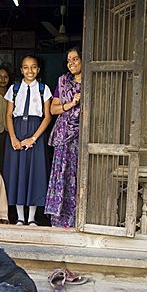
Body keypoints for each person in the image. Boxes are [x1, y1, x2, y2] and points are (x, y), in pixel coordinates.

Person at [3, 55, 52, 226]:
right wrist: (13, 138)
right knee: (18, 172)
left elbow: (47, 117)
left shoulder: (43, 89)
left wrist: (33, 138)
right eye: (26, 67)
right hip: (16, 131)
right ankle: (19, 217)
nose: (29, 71)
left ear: (38, 70)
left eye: (33, 67)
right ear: (21, 69)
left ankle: (31, 217)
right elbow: (8, 115)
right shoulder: (14, 89)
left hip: (36, 132)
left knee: (35, 173)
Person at [44, 47, 82, 228]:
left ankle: (77, 219)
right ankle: (60, 221)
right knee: (62, 175)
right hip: (63, 135)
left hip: (82, 136)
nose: (71, 64)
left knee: (77, 175)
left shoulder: (92, 81)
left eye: (75, 59)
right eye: (69, 60)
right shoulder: (63, 82)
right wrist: (72, 104)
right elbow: (53, 109)